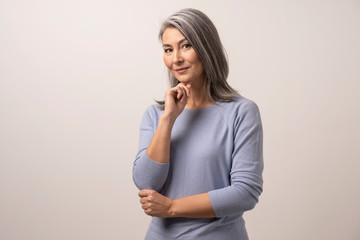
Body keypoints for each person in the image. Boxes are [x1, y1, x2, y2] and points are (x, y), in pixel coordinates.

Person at [132, 8, 263, 240]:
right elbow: (146, 184)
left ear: (206, 48)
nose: (176, 59)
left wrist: (172, 207)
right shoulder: (156, 115)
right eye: (168, 50)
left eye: (186, 46)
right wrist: (168, 120)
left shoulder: (241, 112)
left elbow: (245, 193)